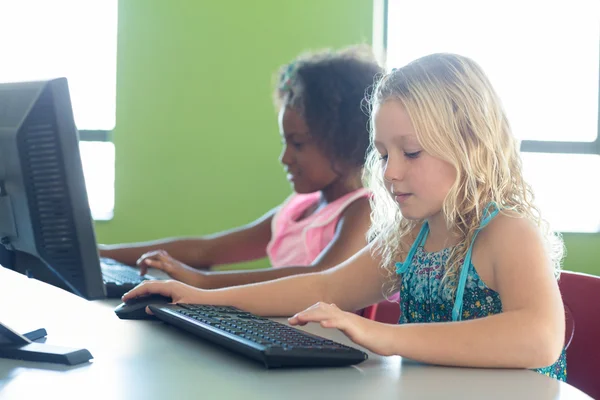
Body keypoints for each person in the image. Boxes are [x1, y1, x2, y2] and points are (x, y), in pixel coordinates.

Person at [123, 53, 567, 380]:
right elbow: (325, 286)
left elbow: (539, 336)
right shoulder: (409, 235)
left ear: (471, 145)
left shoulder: (506, 231)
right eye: (383, 153)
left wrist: (385, 336)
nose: (391, 172)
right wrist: (198, 297)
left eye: (410, 152)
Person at [100, 46, 383, 290]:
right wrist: (103, 254)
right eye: (286, 143)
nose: (285, 158)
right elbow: (206, 249)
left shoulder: (362, 210)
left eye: (298, 144)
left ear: (346, 142)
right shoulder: (299, 209)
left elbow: (322, 278)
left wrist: (204, 282)